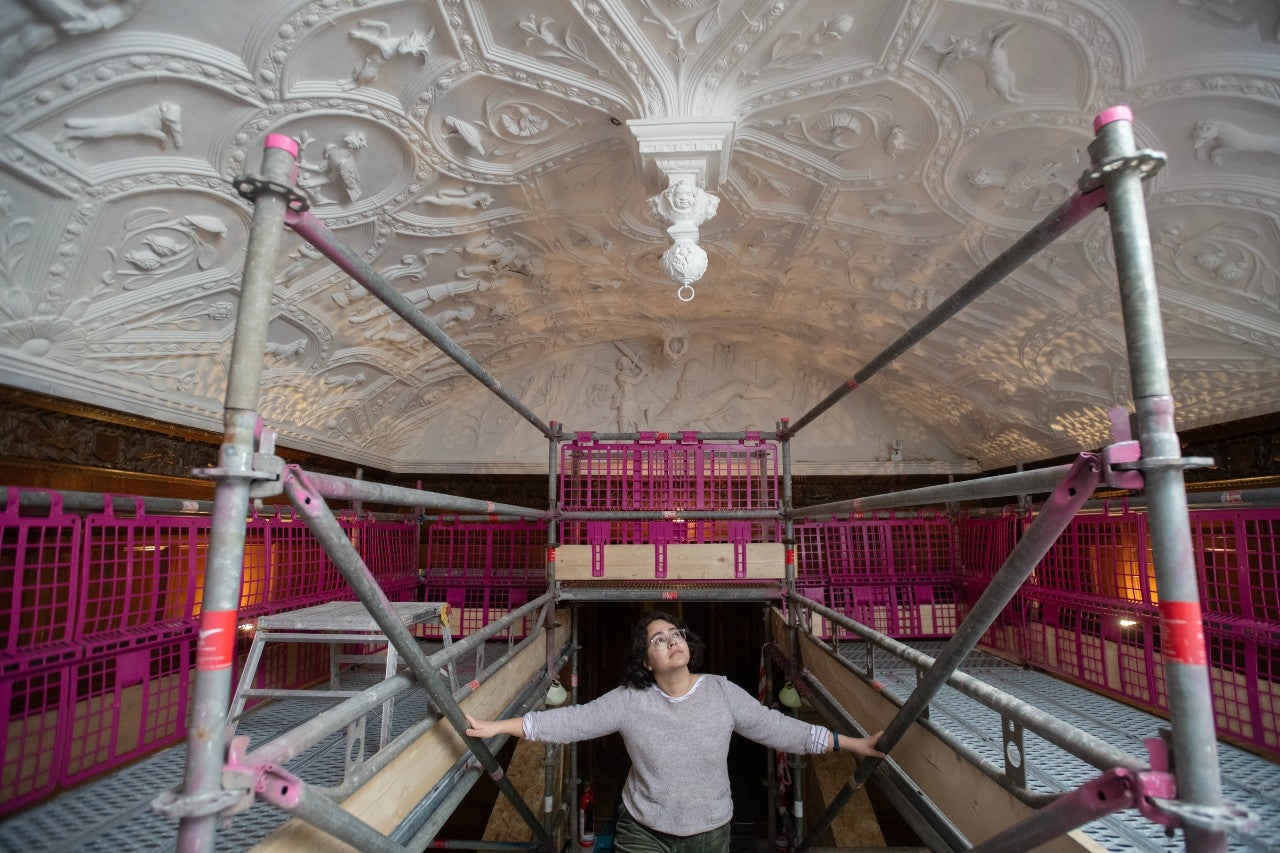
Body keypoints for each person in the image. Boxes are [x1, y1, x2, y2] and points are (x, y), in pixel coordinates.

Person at [465, 611, 884, 851]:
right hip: (643, 828)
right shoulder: (630, 699)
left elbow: (777, 729)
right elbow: (570, 721)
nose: (672, 642)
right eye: (658, 640)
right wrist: (496, 726)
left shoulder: (721, 690)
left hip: (710, 830)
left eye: (676, 635)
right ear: (646, 661)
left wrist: (850, 743)